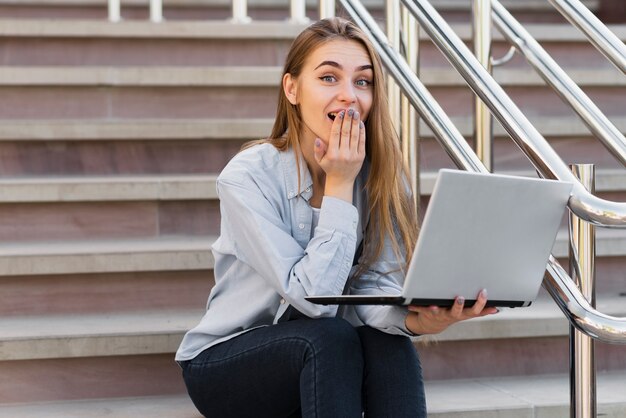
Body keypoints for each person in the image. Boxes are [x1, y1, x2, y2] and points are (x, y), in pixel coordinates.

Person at [176, 17, 498, 418]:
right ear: (291, 89)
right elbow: (314, 301)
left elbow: (372, 290)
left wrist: (419, 323)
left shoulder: (381, 175)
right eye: (329, 78)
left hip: (327, 361)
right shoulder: (247, 177)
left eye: (362, 82)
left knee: (387, 343)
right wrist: (339, 185)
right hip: (227, 365)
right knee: (330, 336)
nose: (349, 96)